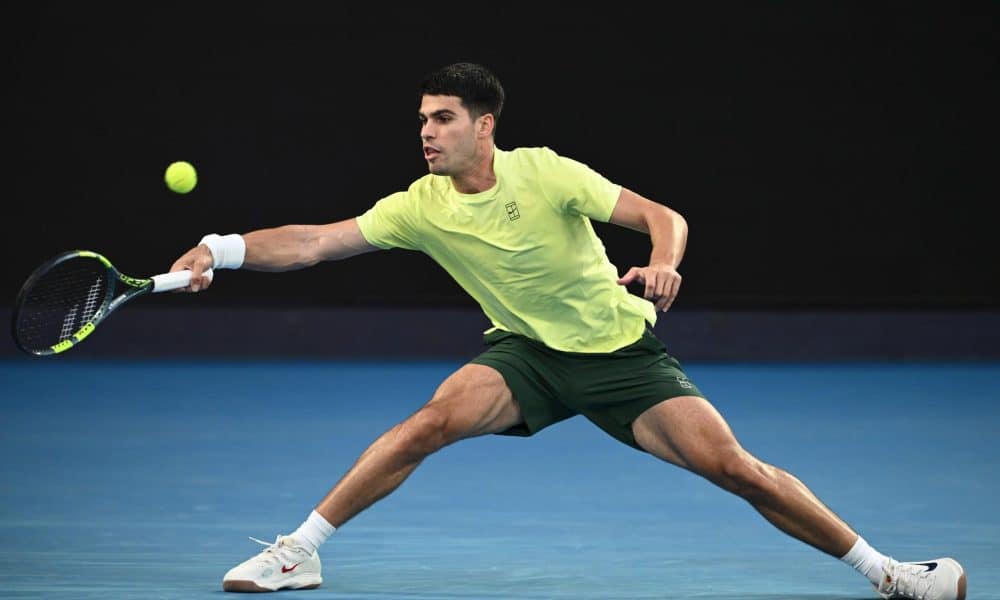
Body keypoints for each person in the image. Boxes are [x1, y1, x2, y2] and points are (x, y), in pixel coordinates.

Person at [169, 62, 966, 599]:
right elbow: (314, 241)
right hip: (526, 357)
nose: (427, 133)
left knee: (740, 471)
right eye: (422, 120)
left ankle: (889, 574)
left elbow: (664, 215)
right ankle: (298, 551)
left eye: (443, 119)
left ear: (485, 126)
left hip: (620, 355)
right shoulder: (419, 204)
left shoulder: (545, 171)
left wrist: (661, 263)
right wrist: (222, 249)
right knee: (428, 424)